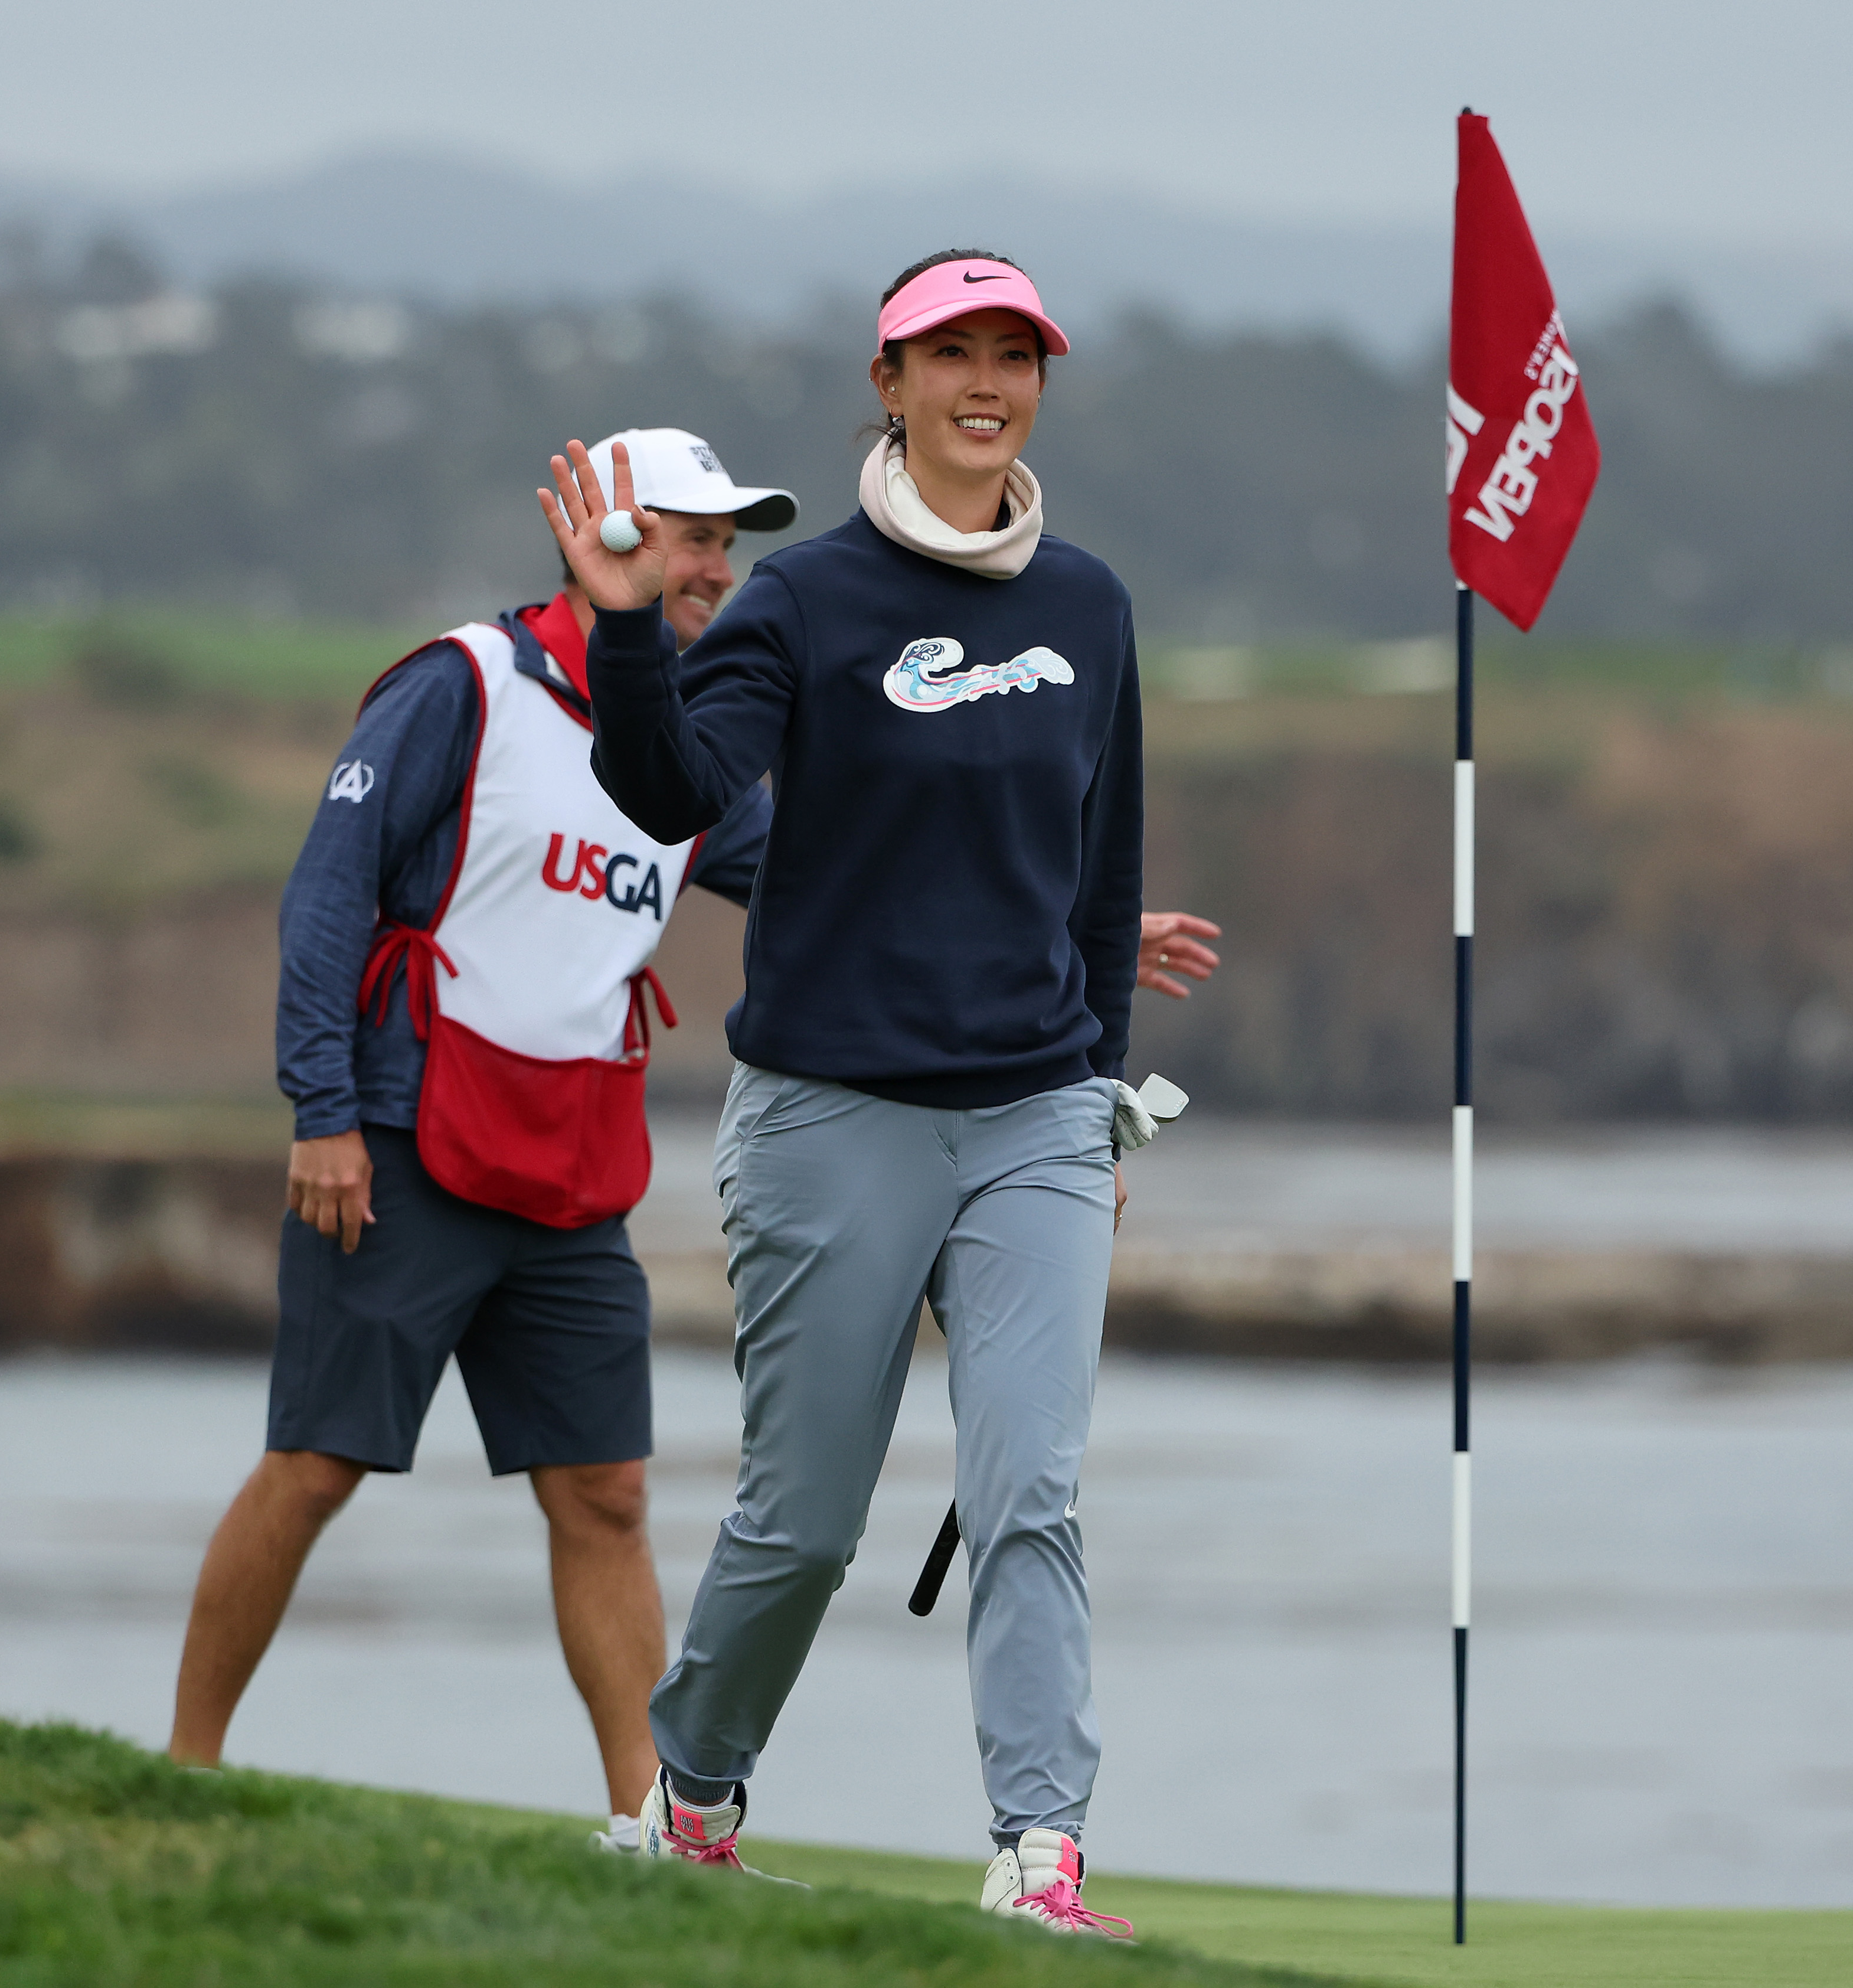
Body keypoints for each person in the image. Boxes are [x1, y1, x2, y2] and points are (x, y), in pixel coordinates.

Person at [541, 250, 1152, 1935]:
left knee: (1031, 1490)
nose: (985, 379)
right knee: (803, 1523)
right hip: (832, 1111)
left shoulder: (1089, 607)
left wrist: (1098, 1100)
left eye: (1013, 353)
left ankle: (1041, 1858)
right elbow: (670, 786)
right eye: (947, 351)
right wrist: (623, 626)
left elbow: (1103, 885)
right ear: (884, 384)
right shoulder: (803, 602)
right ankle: (696, 1792)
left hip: (1033, 1111)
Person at [168, 427, 796, 1847]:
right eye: (696, 537)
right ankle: (180, 1774)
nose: (719, 567)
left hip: (572, 1174)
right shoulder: (462, 683)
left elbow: (834, 887)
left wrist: (1060, 935)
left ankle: (655, 1830)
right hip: (396, 1143)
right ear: (610, 534)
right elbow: (328, 897)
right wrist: (321, 1112)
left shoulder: (691, 748)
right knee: (317, 1463)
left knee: (607, 1498)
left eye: (727, 544)